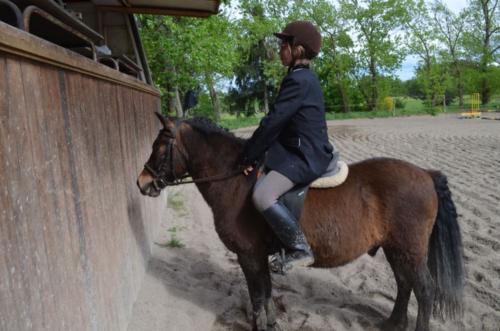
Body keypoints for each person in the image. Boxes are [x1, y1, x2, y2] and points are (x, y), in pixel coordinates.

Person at [239, 21, 335, 269]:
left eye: (284, 44)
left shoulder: (299, 80)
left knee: (262, 195)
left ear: (298, 50)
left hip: (305, 155)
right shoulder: (300, 77)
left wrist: (248, 155)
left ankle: (299, 247)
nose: (280, 49)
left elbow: (273, 123)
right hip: (298, 148)